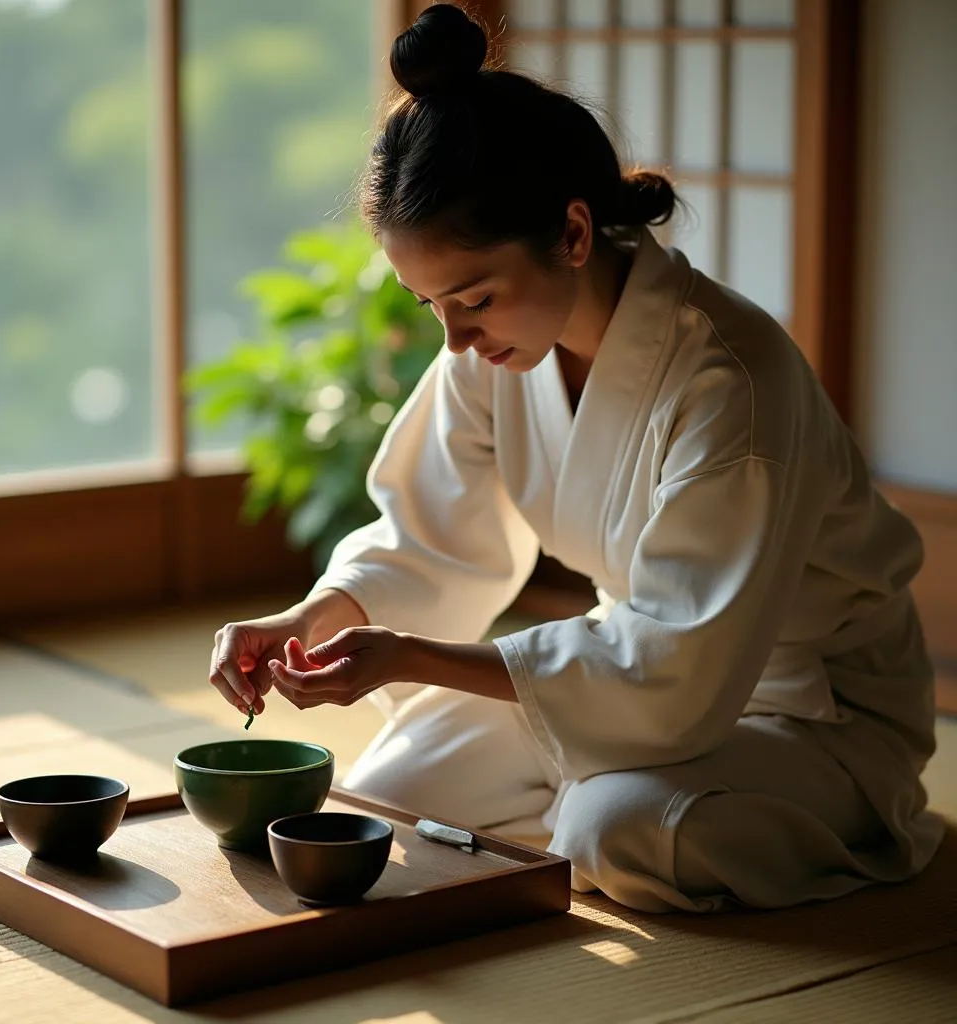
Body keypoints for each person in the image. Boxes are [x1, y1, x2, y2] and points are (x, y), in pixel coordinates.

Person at [207, 3, 943, 912]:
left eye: (474, 296)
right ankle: (573, 790)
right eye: (427, 302)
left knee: (616, 830)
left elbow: (680, 662)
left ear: (573, 234)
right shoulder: (494, 352)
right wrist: (311, 618)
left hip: (807, 709)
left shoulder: (729, 377)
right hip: (631, 682)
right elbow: (433, 540)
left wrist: (406, 656)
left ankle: (809, 814)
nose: (456, 336)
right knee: (385, 795)